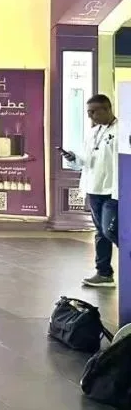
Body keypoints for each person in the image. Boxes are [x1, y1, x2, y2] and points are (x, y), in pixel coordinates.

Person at [61, 94, 119, 288]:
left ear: (107, 109)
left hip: (112, 190)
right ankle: (104, 273)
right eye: (88, 112)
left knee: (110, 230)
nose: (90, 116)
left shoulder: (121, 131)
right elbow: (85, 161)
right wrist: (73, 158)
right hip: (93, 188)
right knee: (100, 232)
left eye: (93, 112)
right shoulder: (93, 133)